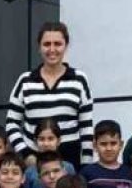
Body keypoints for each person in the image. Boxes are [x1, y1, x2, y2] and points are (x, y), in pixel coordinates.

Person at [6, 22, 94, 168]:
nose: (52, 49)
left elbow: (86, 128)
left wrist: (86, 166)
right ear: (39, 47)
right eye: (47, 44)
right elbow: (11, 124)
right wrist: (26, 154)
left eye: (57, 44)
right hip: (34, 163)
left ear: (66, 46)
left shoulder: (79, 80)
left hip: (69, 162)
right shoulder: (25, 81)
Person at [23, 119, 77, 188]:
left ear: (58, 141)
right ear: (35, 141)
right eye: (42, 139)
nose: (46, 144)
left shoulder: (69, 167)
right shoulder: (29, 172)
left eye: (51, 139)